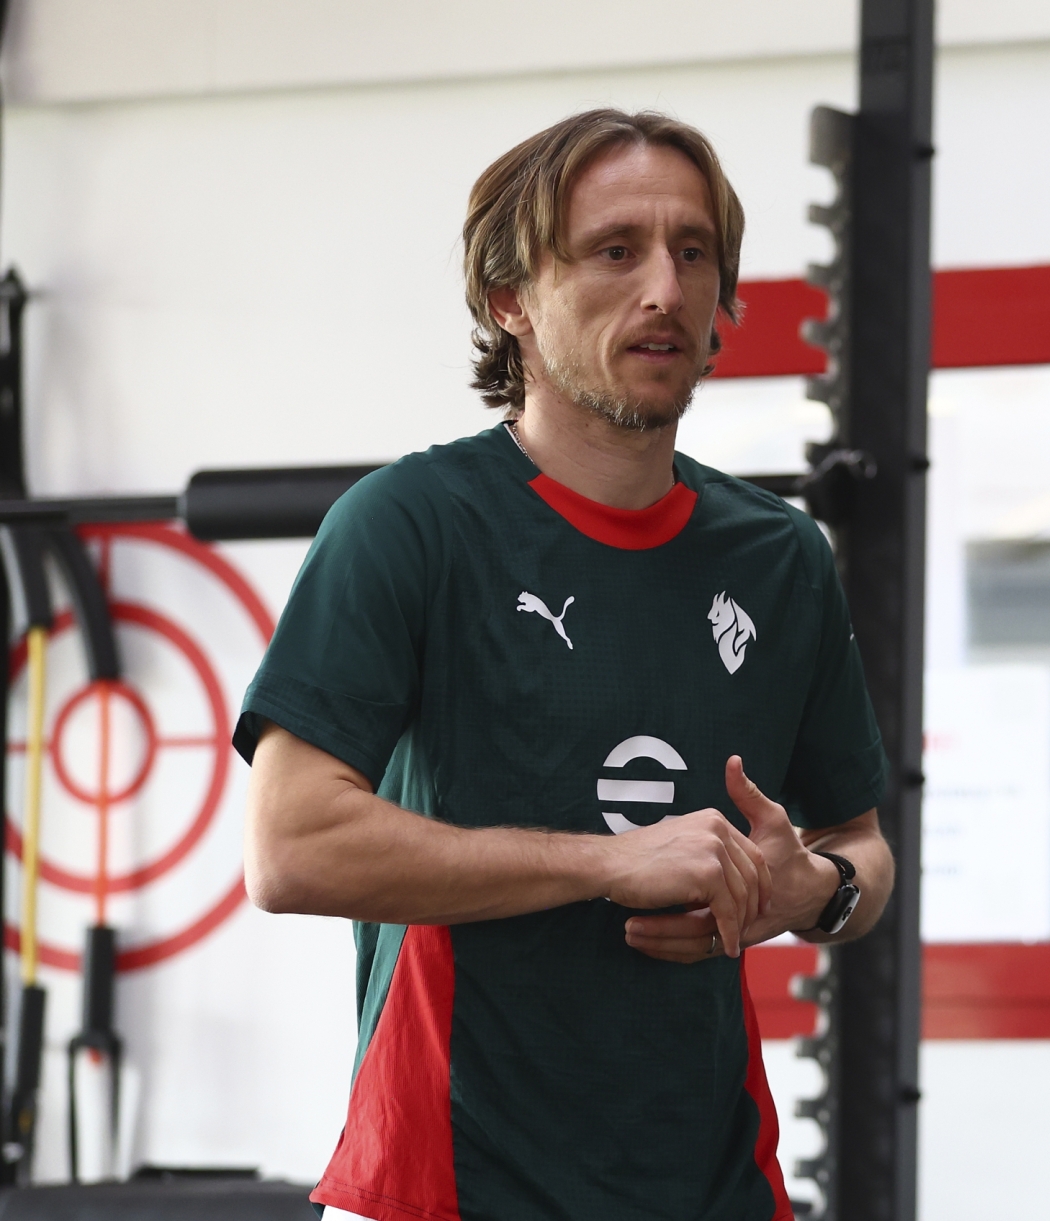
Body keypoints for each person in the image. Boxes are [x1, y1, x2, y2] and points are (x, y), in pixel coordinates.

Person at [237, 108, 893, 1221]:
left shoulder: (780, 557)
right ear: (510, 302)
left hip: (716, 1186)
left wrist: (807, 892)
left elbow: (860, 851)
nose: (665, 290)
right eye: (615, 250)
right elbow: (292, 848)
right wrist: (604, 862)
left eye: (695, 253)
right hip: (446, 1186)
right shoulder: (409, 525)